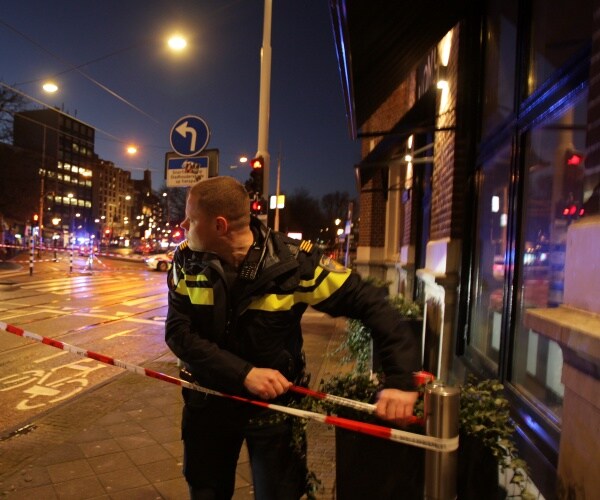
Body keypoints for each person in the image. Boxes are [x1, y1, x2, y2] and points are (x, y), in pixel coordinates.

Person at [165, 176, 422, 500]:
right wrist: (244, 374)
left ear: (219, 225)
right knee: (206, 492)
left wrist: (400, 379)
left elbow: (374, 305)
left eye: (191, 217)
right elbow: (178, 333)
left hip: (275, 409)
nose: (183, 224)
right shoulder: (186, 260)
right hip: (207, 404)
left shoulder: (294, 265)